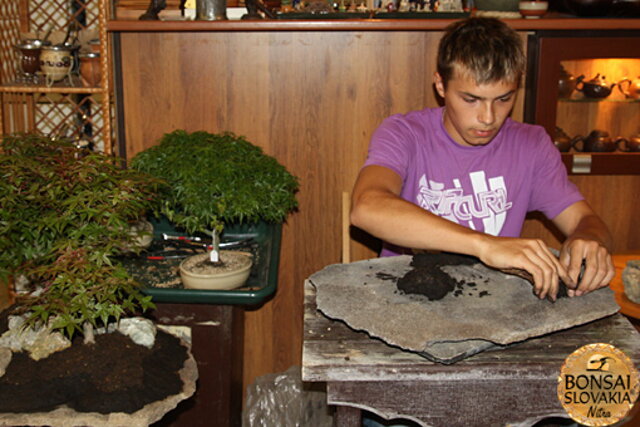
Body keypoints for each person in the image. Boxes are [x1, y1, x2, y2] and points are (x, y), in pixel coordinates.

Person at [350, 17, 615, 302]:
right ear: (440, 85)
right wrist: (486, 246)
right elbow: (367, 207)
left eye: (503, 99)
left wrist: (590, 240)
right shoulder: (404, 134)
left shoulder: (531, 145)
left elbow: (586, 220)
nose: (488, 118)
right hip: (405, 299)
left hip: (492, 304)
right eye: (471, 99)